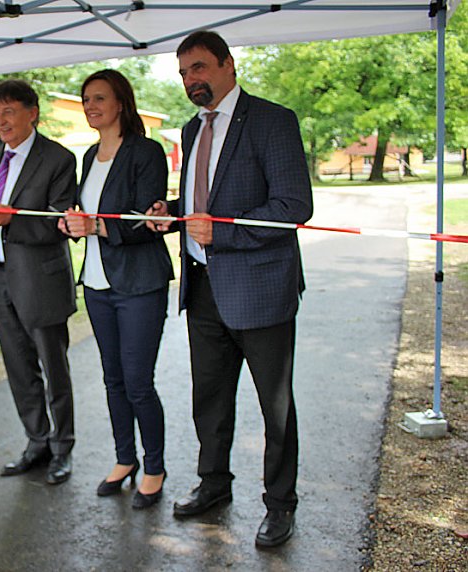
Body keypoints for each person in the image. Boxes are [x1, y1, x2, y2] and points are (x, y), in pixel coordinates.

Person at [147, 31, 314, 547]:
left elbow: (293, 208)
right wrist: (170, 215)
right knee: (210, 400)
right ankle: (214, 485)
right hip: (201, 289)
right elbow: (202, 201)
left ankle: (280, 505)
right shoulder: (191, 130)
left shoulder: (272, 121)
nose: (190, 80)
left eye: (198, 68)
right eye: (182, 73)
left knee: (275, 407)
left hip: (261, 290)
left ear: (227, 65)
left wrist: (224, 231)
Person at [0, 79, 78, 485]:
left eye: (8, 112)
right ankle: (36, 442)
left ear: (32, 112)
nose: (0, 121)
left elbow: (59, 221)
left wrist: (12, 218)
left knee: (53, 369)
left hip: (40, 280)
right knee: (19, 369)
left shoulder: (57, 158)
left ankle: (63, 449)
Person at [58, 70, 173, 508]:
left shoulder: (146, 152)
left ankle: (155, 466)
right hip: (98, 283)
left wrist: (97, 226)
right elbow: (85, 216)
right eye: (86, 99)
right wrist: (72, 224)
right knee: (113, 380)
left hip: (140, 283)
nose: (90, 106)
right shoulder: (89, 156)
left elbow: (149, 220)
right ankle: (125, 459)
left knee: (139, 382)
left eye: (99, 99)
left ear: (121, 103)